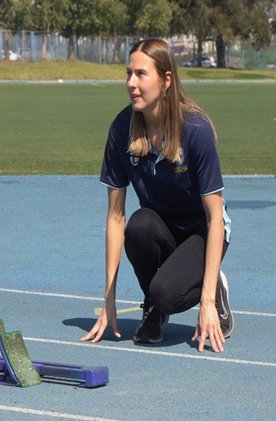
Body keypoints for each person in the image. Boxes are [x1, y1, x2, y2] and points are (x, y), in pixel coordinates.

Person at [81, 38, 233, 353]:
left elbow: (216, 217)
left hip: (203, 231)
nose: (131, 83)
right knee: (138, 226)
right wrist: (108, 299)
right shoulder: (122, 128)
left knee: (167, 293)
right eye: (128, 74)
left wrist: (204, 303)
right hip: (160, 227)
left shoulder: (195, 129)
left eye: (141, 74)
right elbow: (115, 217)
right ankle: (154, 306)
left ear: (165, 80)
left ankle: (212, 286)